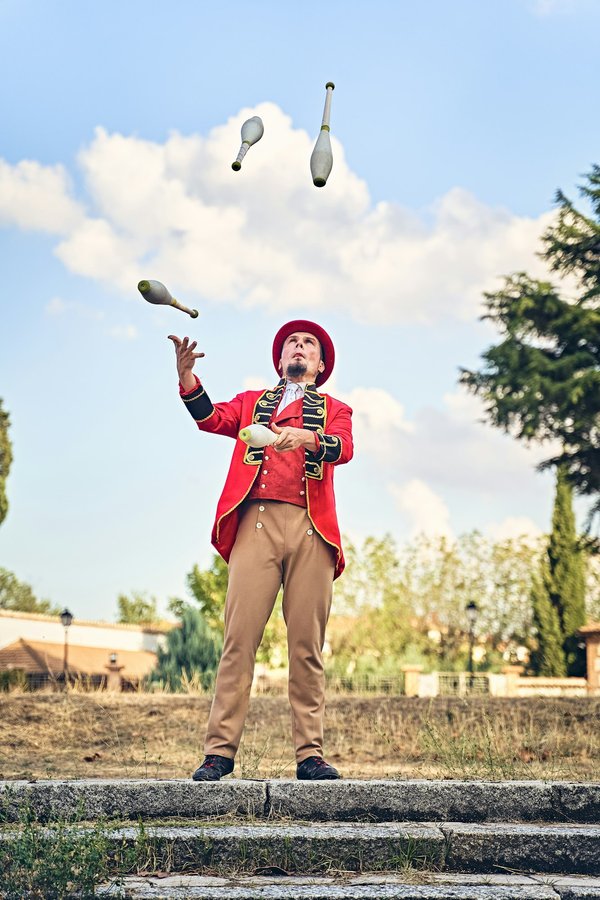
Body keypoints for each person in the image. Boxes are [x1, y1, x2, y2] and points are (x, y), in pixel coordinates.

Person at [168, 320, 353, 781]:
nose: (299, 347)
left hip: (312, 529)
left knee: (307, 647)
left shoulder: (336, 409)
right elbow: (211, 418)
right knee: (239, 640)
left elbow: (344, 448)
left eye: (309, 344)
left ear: (320, 365)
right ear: (280, 359)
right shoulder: (252, 403)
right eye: (292, 342)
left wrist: (308, 438)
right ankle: (218, 752)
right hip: (256, 524)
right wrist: (187, 376)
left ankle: (310, 755)